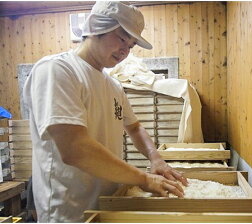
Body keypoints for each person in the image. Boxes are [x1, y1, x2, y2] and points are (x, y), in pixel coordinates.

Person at [23, 1, 188, 222]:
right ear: (95, 27)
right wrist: (144, 179)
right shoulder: (58, 70)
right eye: (121, 38)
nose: (125, 50)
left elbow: (135, 127)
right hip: (70, 211)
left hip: (108, 203)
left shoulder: (113, 85)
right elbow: (74, 148)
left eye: (130, 45)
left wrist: (155, 158)